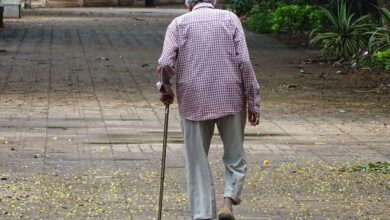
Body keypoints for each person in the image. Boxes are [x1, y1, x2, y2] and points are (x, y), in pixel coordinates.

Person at [156, 0, 260, 219]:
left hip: (193, 98)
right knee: (235, 155)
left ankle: (203, 214)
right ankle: (227, 204)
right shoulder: (230, 19)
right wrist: (253, 100)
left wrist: (165, 88)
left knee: (197, 159)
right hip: (230, 95)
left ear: (189, 5)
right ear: (214, 1)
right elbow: (245, 61)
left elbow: (165, 63)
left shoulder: (178, 23)